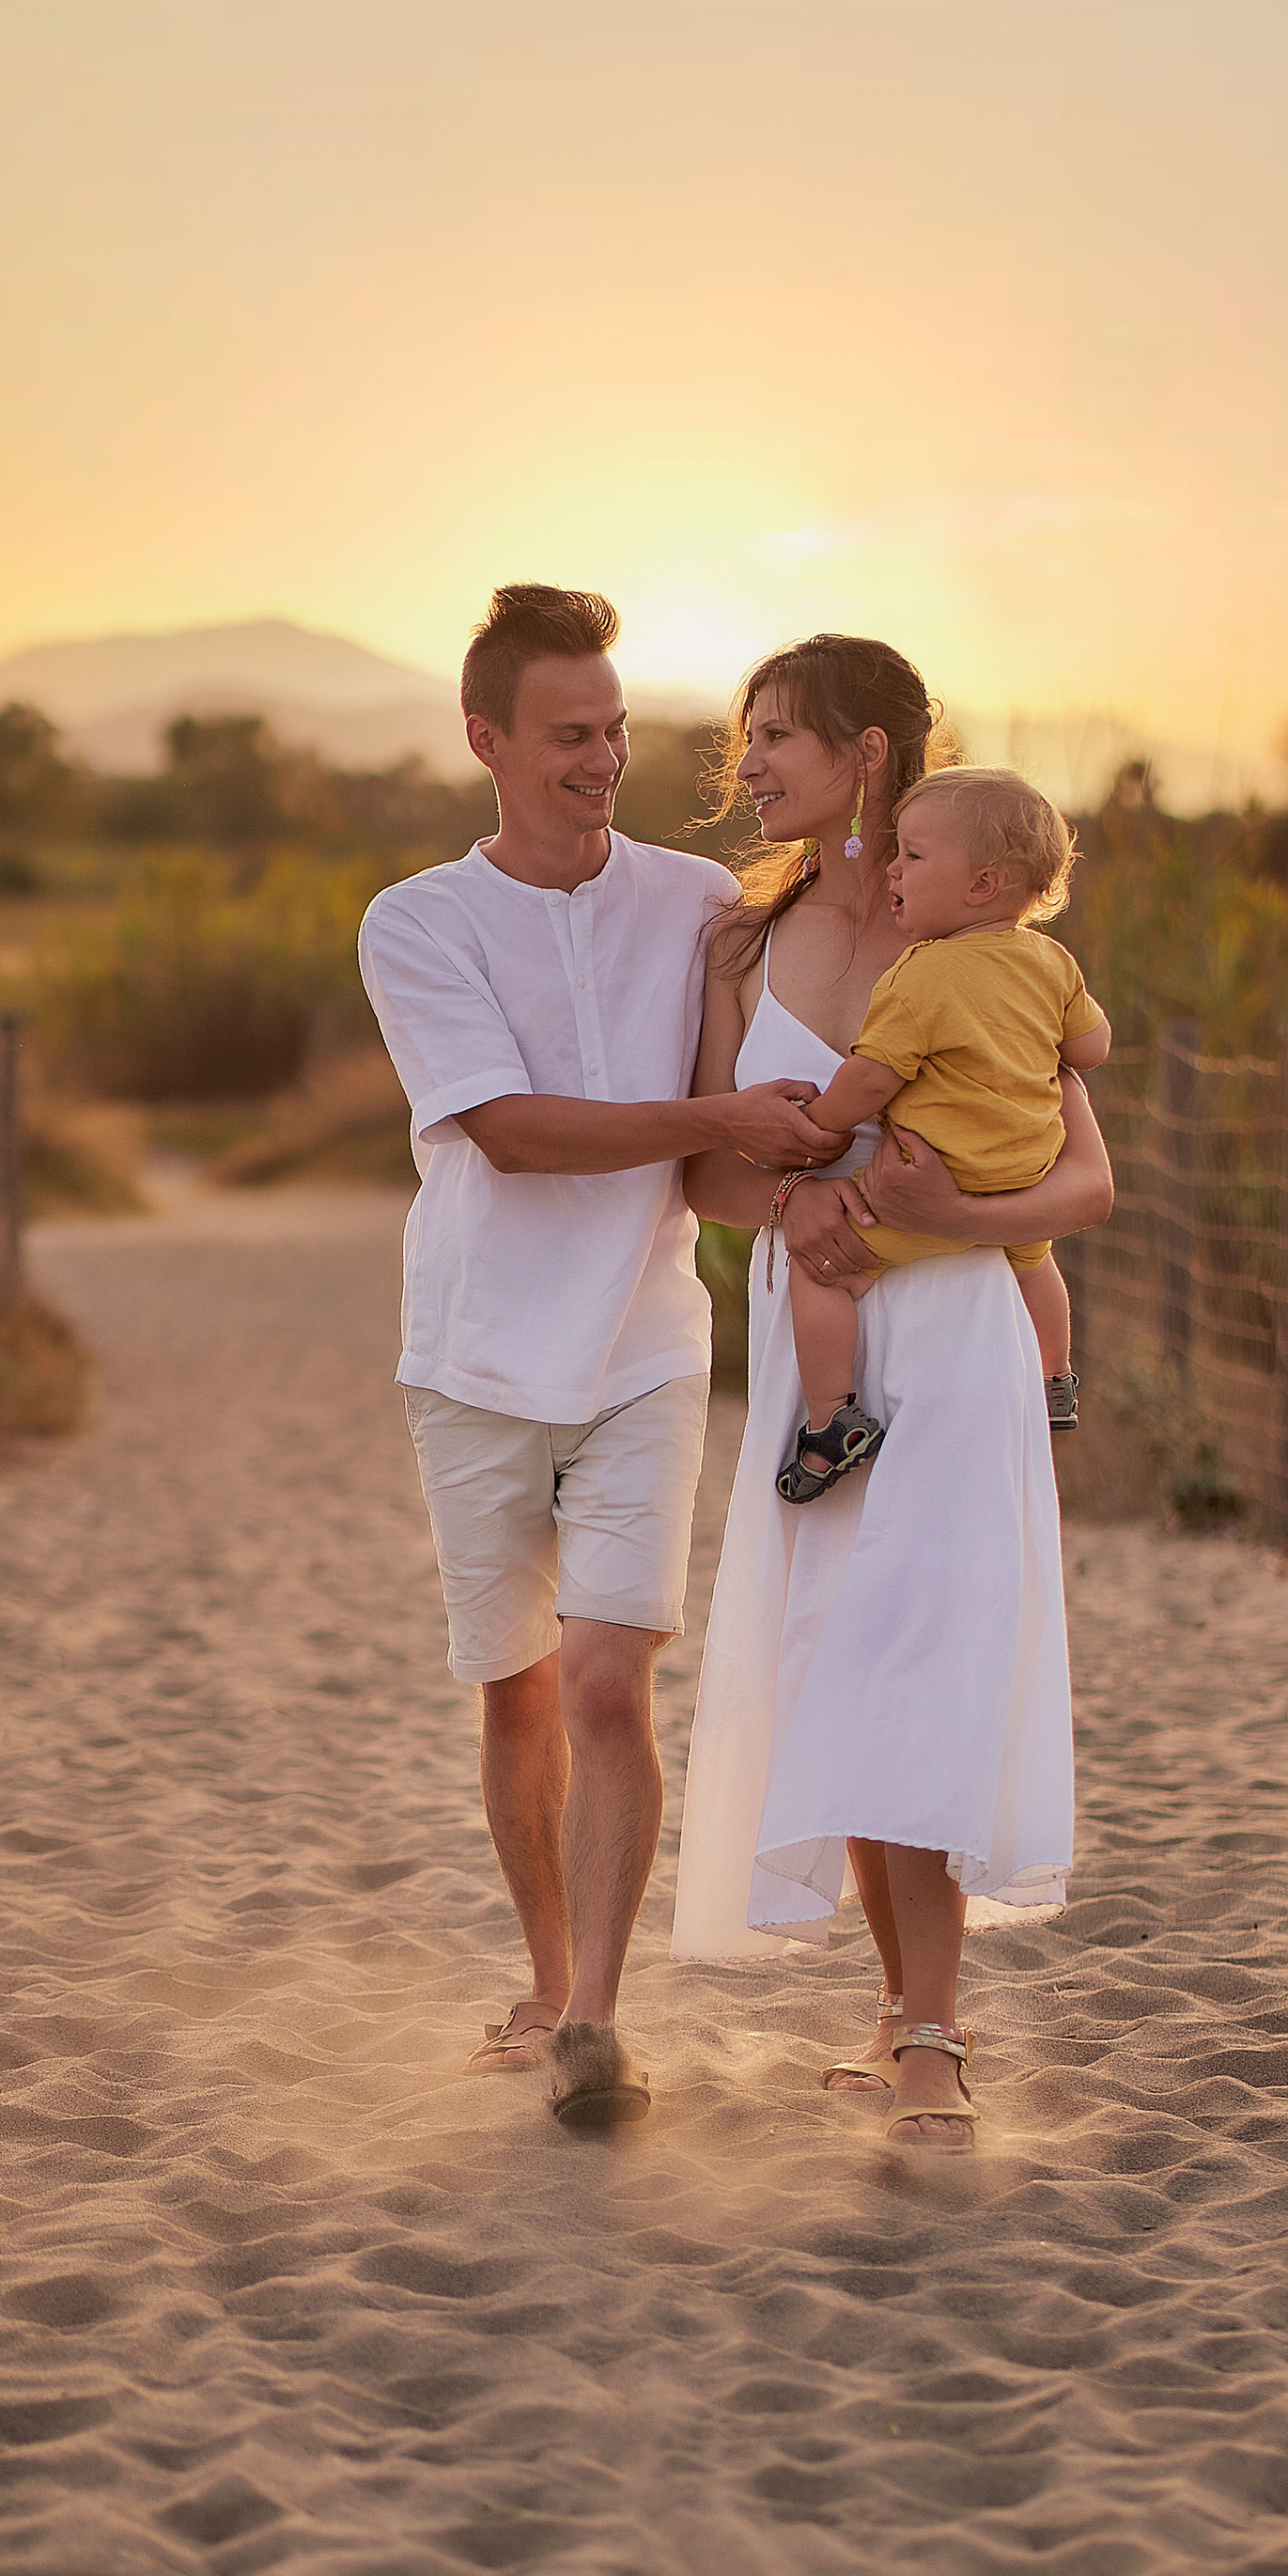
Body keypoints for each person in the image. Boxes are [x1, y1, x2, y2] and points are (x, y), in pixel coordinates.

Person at [357, 585, 840, 2130]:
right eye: (572, 735)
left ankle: (597, 2029)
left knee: (609, 1687)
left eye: (618, 728)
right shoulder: (417, 921)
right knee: (517, 1701)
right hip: (475, 1358)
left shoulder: (697, 904)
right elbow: (507, 1132)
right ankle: (551, 1975)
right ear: (487, 739)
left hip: (644, 1349)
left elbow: (726, 1145)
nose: (605, 758)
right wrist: (718, 1126)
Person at [673, 635, 1114, 2147]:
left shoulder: (985, 942)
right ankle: (893, 2004)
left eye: (777, 738)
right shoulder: (741, 947)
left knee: (933, 1644)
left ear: (871, 754)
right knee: (840, 1655)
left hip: (958, 1323)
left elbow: (1086, 1180)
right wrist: (788, 1209)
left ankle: (936, 2028)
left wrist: (947, 1219)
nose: (749, 772)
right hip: (822, 1346)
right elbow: (708, 1166)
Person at [776, 764, 1110, 1499]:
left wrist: (818, 1127)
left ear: (982, 885)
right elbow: (1090, 1050)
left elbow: (871, 1078)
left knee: (822, 1274)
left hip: (928, 1183)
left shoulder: (919, 974)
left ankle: (832, 1419)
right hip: (1026, 1177)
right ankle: (1056, 1377)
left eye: (913, 856)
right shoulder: (1052, 961)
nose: (891, 867)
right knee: (1035, 1263)